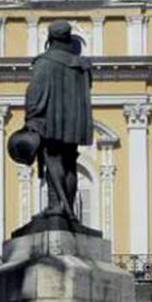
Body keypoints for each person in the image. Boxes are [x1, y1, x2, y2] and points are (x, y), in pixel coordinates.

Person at [19, 20, 93, 219]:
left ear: (50, 38)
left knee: (52, 159)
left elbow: (35, 92)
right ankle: (66, 205)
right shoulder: (81, 66)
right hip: (75, 121)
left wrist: (31, 118)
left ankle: (56, 206)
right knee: (69, 162)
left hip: (50, 120)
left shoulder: (45, 62)